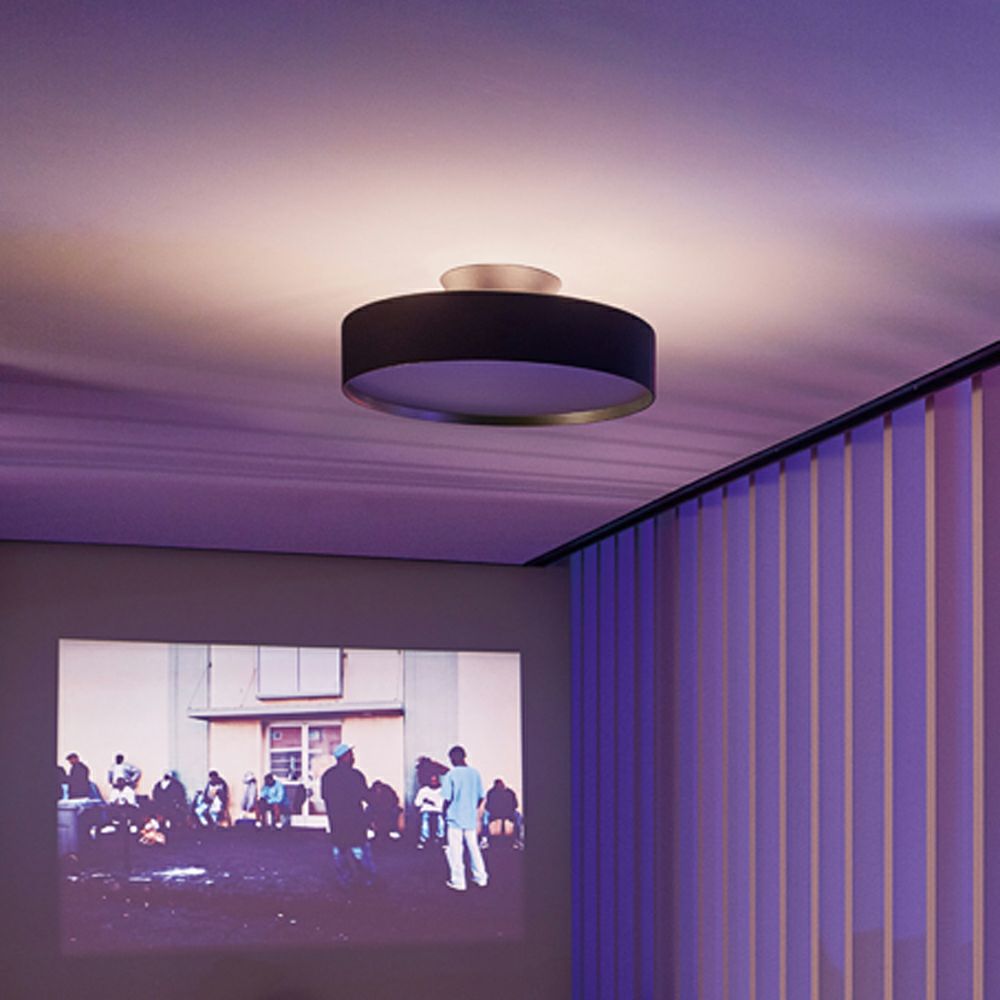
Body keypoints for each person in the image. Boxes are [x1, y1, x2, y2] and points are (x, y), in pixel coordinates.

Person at [320, 743, 376, 888]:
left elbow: (324, 797)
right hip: (355, 821)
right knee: (360, 851)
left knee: (339, 851)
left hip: (336, 821)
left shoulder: (327, 776)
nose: (353, 757)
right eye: (351, 754)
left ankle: (345, 880)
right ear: (345, 756)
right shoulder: (356, 775)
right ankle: (367, 879)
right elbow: (365, 796)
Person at [439, 745, 488, 891]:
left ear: (452, 758)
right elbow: (481, 797)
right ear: (464, 756)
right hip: (469, 817)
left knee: (455, 850)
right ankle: (481, 878)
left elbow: (447, 798)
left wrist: (444, 812)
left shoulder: (451, 775)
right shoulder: (475, 774)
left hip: (455, 817)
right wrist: (471, 808)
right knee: (474, 848)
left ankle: (458, 882)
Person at [482, 778, 524, 850]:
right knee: (518, 819)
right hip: (509, 814)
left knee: (485, 818)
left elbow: (487, 807)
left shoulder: (490, 792)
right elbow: (516, 805)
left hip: (494, 814)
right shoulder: (510, 792)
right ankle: (517, 838)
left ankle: (485, 838)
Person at [414, 772, 445, 848]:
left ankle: (440, 838)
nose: (433, 782)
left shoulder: (442, 790)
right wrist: (424, 801)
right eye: (432, 781)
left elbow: (441, 803)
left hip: (438, 810)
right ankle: (423, 839)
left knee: (441, 821)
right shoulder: (423, 790)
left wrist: (430, 801)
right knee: (425, 820)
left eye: (435, 781)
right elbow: (417, 803)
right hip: (426, 810)